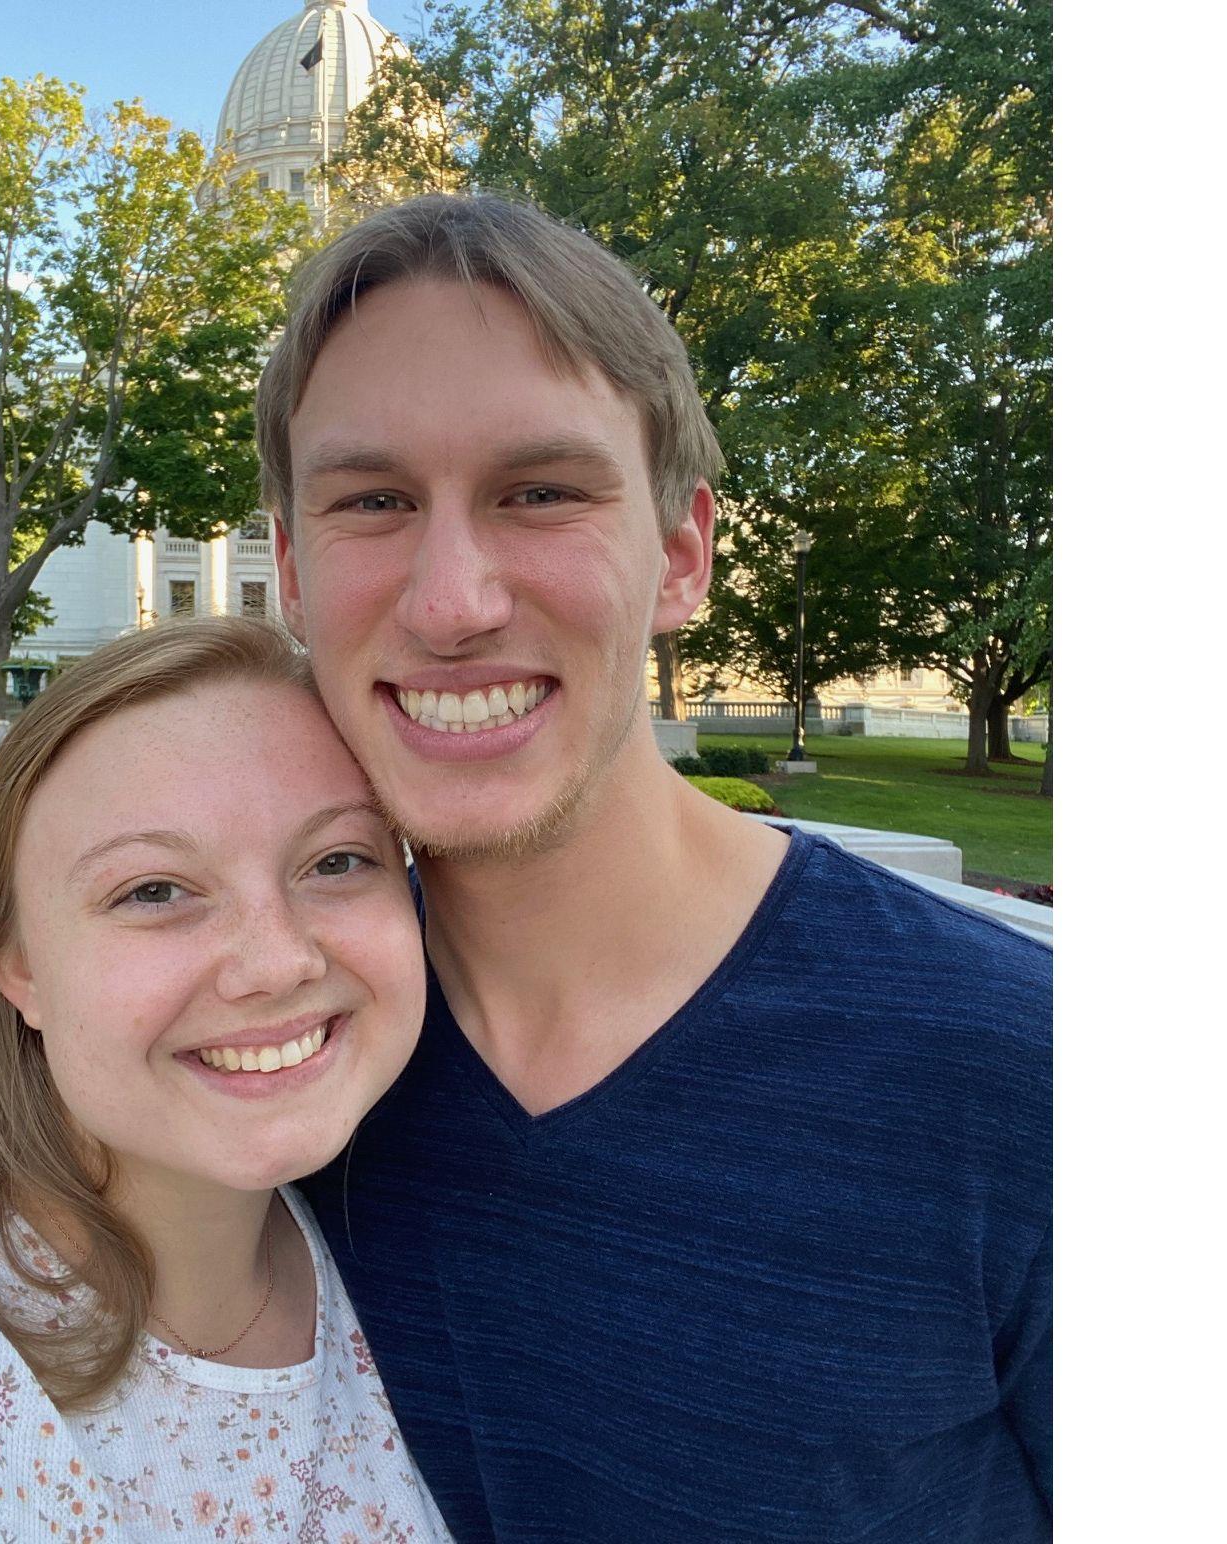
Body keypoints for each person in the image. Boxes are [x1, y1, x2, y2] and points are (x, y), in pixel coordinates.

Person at [257, 194, 1053, 1542]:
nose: (454, 602)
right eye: (375, 501)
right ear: (288, 566)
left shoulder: (1023, 1073)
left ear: (681, 553)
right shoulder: (264, 1061)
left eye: (542, 493)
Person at [0, 618, 453, 1543]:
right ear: (17, 967)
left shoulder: (419, 1249)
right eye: (153, 890)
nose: (275, 964)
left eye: (338, 861)